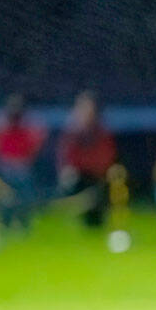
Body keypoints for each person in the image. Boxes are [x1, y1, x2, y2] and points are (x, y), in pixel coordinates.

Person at [0, 93, 47, 230]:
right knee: (6, 200)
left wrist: (25, 160)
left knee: (25, 199)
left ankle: (24, 225)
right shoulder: (2, 125)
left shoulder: (29, 125)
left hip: (24, 168)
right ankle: (4, 224)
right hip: (5, 168)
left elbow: (36, 145)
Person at [56, 90, 117, 228]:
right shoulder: (72, 132)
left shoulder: (101, 131)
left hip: (97, 176)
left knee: (98, 204)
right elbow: (66, 155)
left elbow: (106, 154)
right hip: (78, 176)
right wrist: (67, 170)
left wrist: (100, 170)